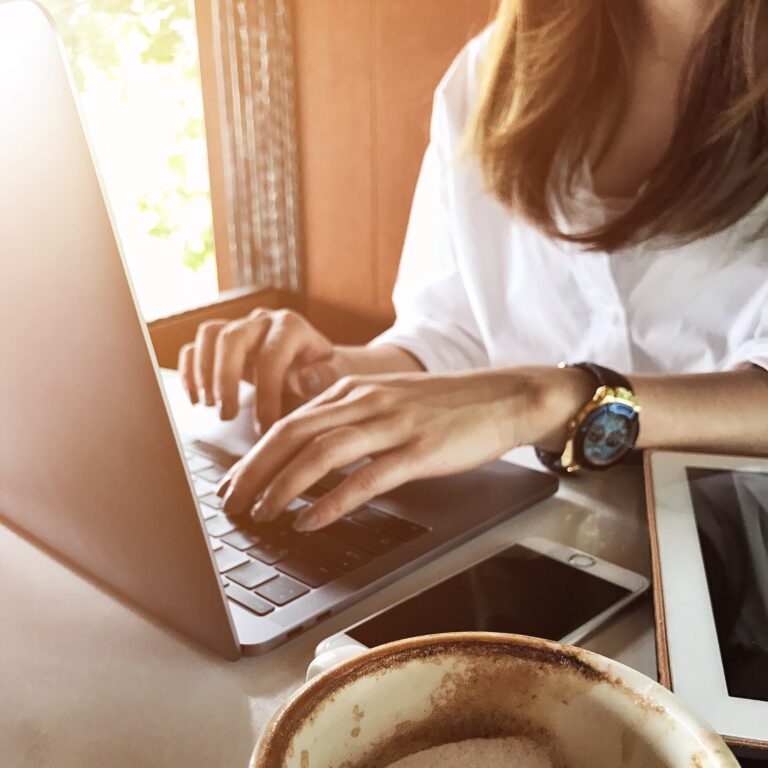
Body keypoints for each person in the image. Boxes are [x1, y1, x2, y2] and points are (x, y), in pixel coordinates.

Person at [179, 0, 768, 533]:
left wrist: (546, 401)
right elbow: (450, 332)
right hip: (526, 539)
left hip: (729, 573)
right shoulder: (490, 74)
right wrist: (336, 377)